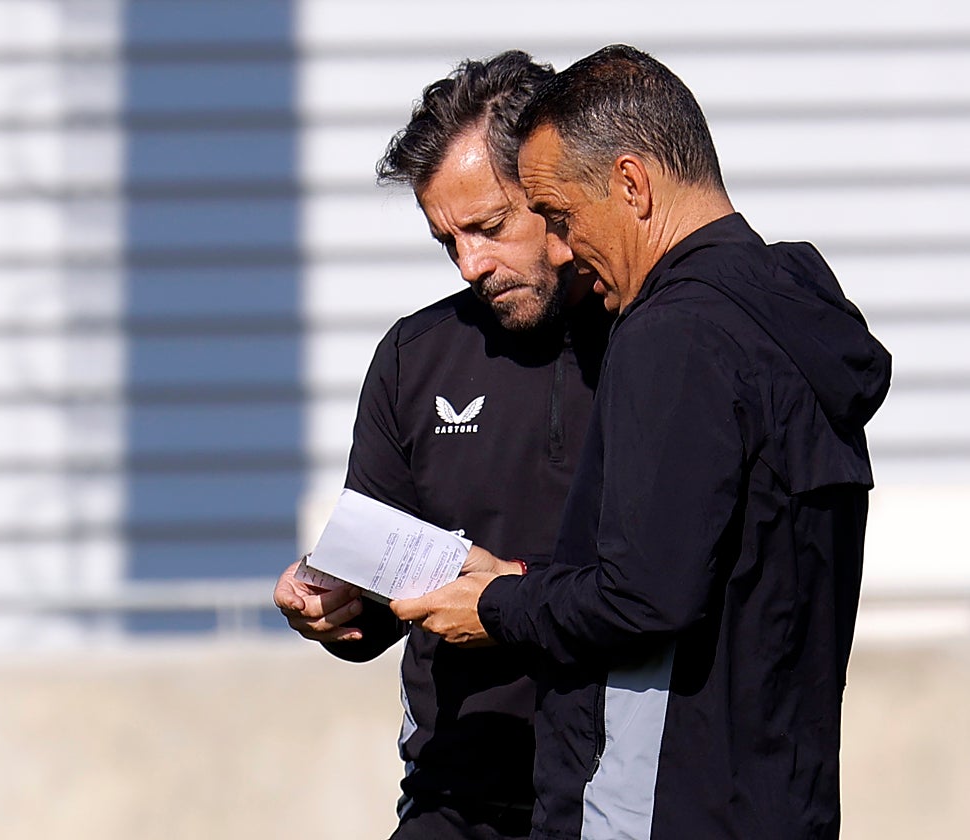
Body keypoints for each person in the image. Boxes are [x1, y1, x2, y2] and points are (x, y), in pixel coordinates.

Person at [392, 45, 892, 839]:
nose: (559, 248)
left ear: (632, 184)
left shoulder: (673, 333)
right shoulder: (787, 312)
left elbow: (641, 598)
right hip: (780, 801)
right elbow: (703, 573)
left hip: (661, 807)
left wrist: (497, 601)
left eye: (559, 216)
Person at [271, 51, 611, 840]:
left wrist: (509, 593)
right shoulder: (414, 356)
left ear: (554, 187)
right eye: (446, 241)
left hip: (619, 788)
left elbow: (660, 581)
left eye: (489, 228)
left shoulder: (653, 343)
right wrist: (332, 607)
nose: (472, 265)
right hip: (454, 793)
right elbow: (386, 591)